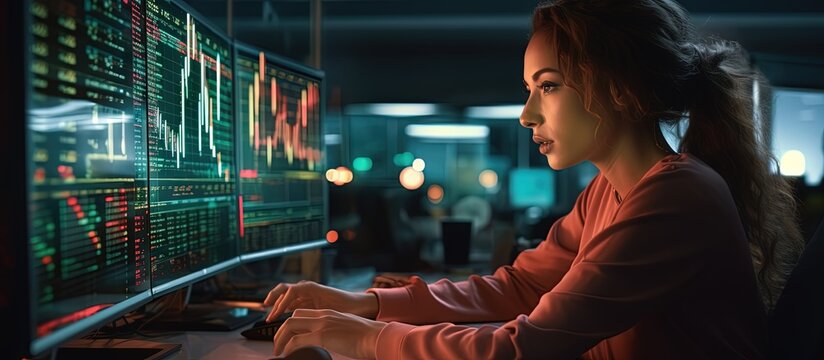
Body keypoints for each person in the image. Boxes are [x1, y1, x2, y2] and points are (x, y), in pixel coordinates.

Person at [262, 0, 805, 358]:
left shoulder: (677, 196)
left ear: (617, 87)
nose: (526, 115)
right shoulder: (608, 193)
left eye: (546, 87)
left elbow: (527, 346)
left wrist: (370, 339)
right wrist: (367, 306)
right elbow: (520, 287)